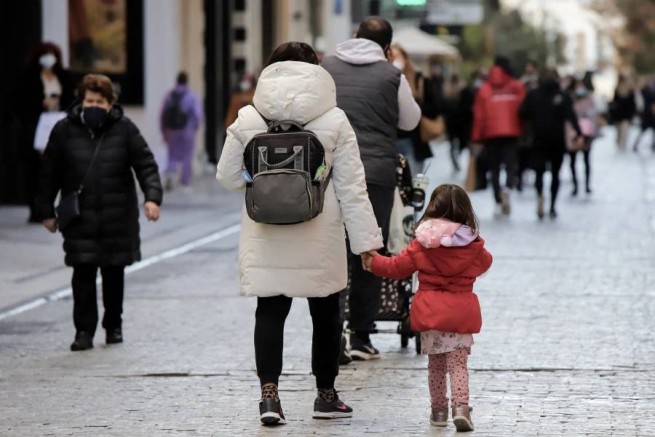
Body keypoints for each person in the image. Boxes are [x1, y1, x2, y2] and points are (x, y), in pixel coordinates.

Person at [216, 42, 383, 425]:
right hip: (319, 232)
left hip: (266, 231)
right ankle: (326, 395)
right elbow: (353, 189)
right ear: (317, 72)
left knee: (270, 311)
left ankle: (269, 397)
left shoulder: (248, 117)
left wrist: (260, 181)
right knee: (326, 312)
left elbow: (226, 178)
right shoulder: (335, 119)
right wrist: (367, 244)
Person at [35, 74, 163, 351]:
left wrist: (152, 198)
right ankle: (84, 331)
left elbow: (146, 165)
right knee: (82, 275)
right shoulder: (63, 130)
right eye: (89, 101)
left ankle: (113, 326)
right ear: (81, 101)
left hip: (117, 216)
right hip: (79, 217)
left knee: (113, 273)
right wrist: (45, 209)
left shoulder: (125, 129)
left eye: (100, 101)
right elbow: (49, 173)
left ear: (110, 103)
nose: (94, 106)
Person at [322, 17, 421, 360]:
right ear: (388, 46)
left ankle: (331, 337)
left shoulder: (328, 65)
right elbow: (410, 121)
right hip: (375, 171)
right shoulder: (392, 74)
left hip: (331, 169)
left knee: (333, 249)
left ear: (354, 37)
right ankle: (360, 337)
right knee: (368, 249)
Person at [362, 184, 492, 432]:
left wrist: (372, 261)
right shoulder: (473, 246)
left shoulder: (424, 243)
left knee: (436, 366)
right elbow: (486, 263)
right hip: (461, 314)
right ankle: (461, 408)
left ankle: (439, 410)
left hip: (431, 313)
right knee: (458, 365)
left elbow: (396, 267)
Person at [13, 42, 76, 223]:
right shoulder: (28, 77)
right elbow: (19, 102)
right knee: (35, 170)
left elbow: (72, 100)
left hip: (58, 123)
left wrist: (60, 104)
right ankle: (35, 209)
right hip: (36, 126)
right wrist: (40, 103)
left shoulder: (64, 77)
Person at [519, 70, 582, 219]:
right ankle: (552, 206)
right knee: (555, 173)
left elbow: (522, 114)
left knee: (539, 172)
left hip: (538, 139)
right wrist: (579, 133)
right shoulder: (562, 95)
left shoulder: (533, 95)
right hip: (557, 140)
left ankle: (540, 196)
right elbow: (571, 117)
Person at [472, 56, 525, 216]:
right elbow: (523, 111)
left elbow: (479, 116)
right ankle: (508, 188)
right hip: (511, 133)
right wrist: (522, 130)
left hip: (490, 134)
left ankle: (497, 199)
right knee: (510, 165)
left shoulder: (484, 89)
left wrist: (476, 138)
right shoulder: (517, 87)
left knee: (494, 169)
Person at [160, 72, 203, 191]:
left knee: (172, 155)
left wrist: (163, 130)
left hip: (171, 130)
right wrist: (195, 127)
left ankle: (170, 175)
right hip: (187, 130)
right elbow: (197, 115)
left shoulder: (169, 95)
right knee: (187, 156)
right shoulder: (191, 96)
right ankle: (184, 182)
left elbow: (163, 115)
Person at [567, 77, 597, 196]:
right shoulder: (570, 99)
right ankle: (575, 185)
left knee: (586, 160)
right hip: (573, 133)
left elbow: (594, 114)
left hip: (587, 132)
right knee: (572, 161)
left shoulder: (589, 98)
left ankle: (587, 185)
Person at [611, 75, 636, 151]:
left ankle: (623, 146)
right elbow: (614, 102)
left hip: (626, 116)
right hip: (618, 116)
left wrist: (632, 115)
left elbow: (633, 105)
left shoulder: (631, 92)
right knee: (618, 132)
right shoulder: (617, 90)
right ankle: (619, 144)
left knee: (624, 131)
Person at [632, 76, 655, 152]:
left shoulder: (649, 90)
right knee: (643, 130)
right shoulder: (642, 91)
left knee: (652, 131)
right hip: (647, 114)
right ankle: (636, 144)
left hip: (651, 114)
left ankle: (653, 145)